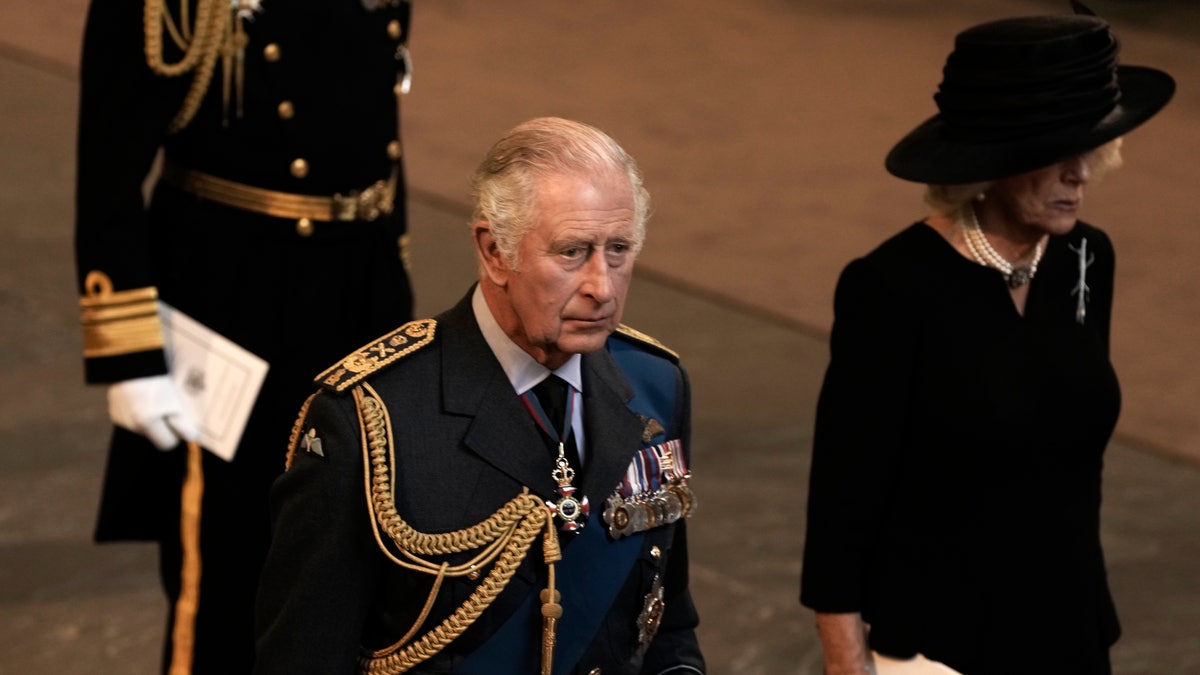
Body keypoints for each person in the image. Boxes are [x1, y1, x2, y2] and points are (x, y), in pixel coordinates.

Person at [253, 117, 706, 675]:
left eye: (619, 248)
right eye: (572, 252)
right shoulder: (372, 420)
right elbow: (303, 659)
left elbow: (667, 628)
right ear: (495, 252)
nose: (603, 286)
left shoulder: (656, 386)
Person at [799, 9, 1175, 675]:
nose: (1080, 173)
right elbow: (843, 495)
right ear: (995, 160)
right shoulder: (892, 287)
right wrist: (846, 657)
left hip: (1072, 632)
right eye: (1057, 151)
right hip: (936, 648)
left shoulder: (1088, 257)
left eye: (1091, 146)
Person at [73, 0, 415, 672]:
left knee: (357, 548)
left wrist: (395, 303)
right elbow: (107, 178)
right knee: (230, 564)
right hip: (234, 303)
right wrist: (131, 356)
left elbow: (379, 139)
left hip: (357, 293)